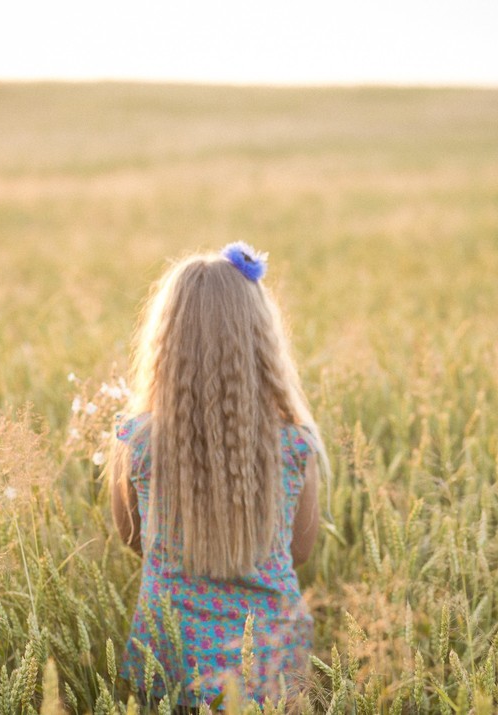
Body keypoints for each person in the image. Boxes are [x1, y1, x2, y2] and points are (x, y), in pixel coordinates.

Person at [107, 242, 326, 710]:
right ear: (261, 342)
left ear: (166, 342)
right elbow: (300, 550)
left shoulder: (138, 442)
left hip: (171, 658)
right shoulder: (294, 445)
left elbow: (131, 535)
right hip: (273, 664)